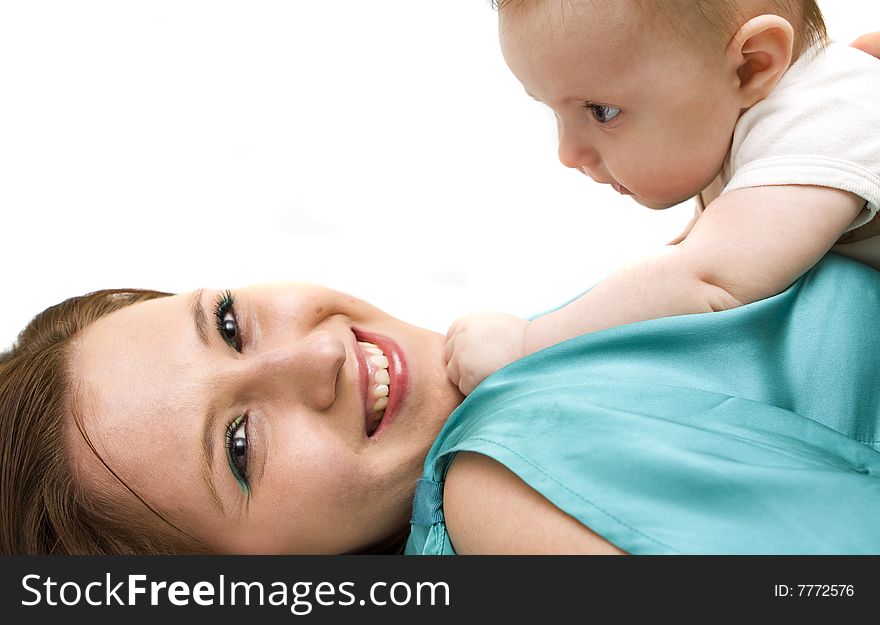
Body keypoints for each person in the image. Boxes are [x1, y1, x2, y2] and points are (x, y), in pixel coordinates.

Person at [2, 252, 880, 555]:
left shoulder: (536, 382)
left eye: (228, 322)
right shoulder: (491, 483)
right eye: (238, 445)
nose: (317, 354)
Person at [445, 0, 880, 395]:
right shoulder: (741, 127)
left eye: (601, 110)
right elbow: (683, 273)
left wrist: (529, 344)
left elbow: (703, 280)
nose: (568, 154)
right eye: (552, 110)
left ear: (750, 66)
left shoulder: (826, 117)